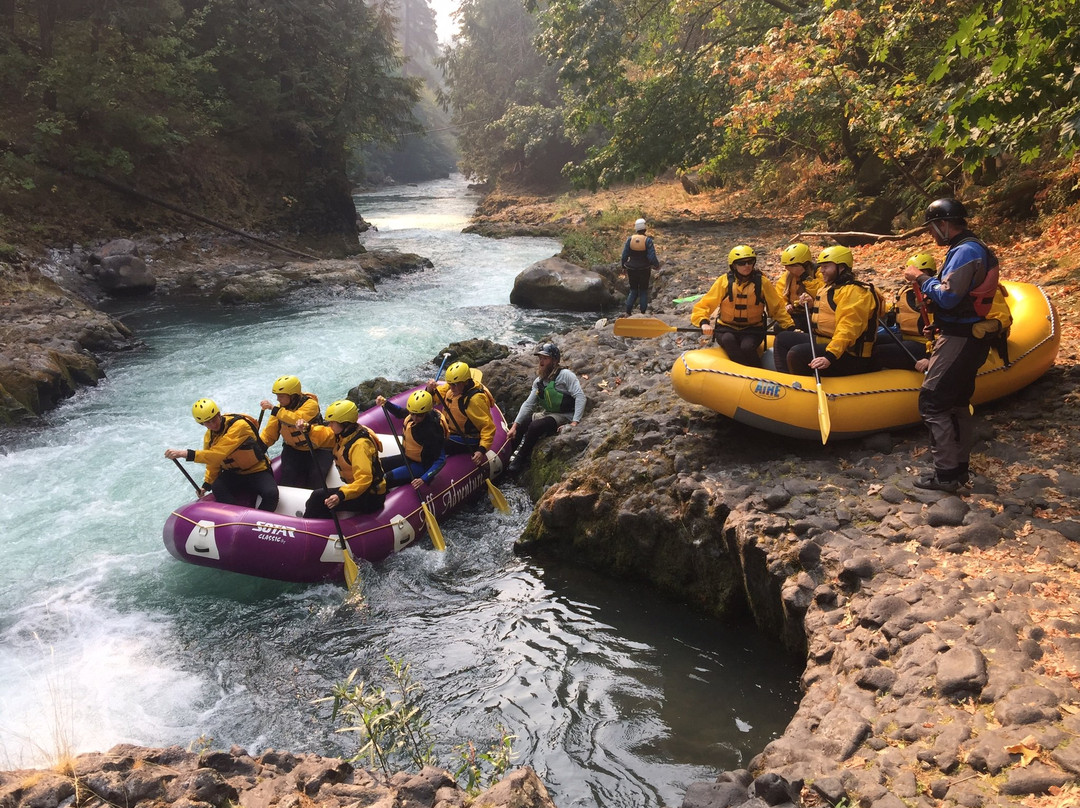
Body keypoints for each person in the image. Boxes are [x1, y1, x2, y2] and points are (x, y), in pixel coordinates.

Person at [903, 198, 1001, 492]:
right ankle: (957, 471)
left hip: (961, 339)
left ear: (944, 224)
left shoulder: (966, 251)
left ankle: (946, 474)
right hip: (965, 334)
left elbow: (948, 296)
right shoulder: (969, 248)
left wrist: (921, 278)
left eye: (933, 228)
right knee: (957, 402)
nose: (932, 234)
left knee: (933, 402)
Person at [773, 245, 883, 377]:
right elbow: (828, 313)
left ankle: (803, 389)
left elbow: (848, 328)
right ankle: (786, 382)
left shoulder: (855, 292)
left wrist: (829, 356)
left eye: (826, 267)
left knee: (797, 353)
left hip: (849, 354)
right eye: (821, 266)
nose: (821, 271)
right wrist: (812, 304)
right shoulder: (830, 287)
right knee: (782, 339)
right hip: (826, 341)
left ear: (841, 267)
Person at [165, 398, 278, 511]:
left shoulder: (239, 426)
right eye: (208, 422)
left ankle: (257, 523)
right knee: (217, 486)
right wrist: (206, 485)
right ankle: (235, 517)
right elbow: (212, 461)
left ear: (219, 414)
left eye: (214, 419)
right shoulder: (209, 437)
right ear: (202, 424)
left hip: (257, 470)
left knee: (271, 494)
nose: (213, 424)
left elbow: (218, 454)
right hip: (234, 474)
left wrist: (184, 453)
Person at [690, 245, 795, 366]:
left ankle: (757, 372)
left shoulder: (762, 282)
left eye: (750, 262)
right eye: (741, 263)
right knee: (728, 340)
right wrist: (703, 322)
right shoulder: (724, 281)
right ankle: (741, 373)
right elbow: (705, 304)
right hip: (726, 328)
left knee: (747, 347)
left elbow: (777, 308)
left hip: (753, 329)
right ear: (734, 265)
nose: (747, 266)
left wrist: (789, 326)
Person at [296, 399, 387, 517]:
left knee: (317, 498)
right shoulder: (346, 434)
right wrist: (308, 429)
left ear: (345, 423)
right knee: (320, 498)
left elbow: (364, 479)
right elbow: (325, 436)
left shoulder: (360, 445)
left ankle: (310, 532)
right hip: (359, 491)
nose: (330, 425)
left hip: (369, 496)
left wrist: (341, 495)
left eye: (333, 422)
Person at [507, 342, 586, 473]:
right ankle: (506, 456)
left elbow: (580, 397)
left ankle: (520, 459)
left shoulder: (566, 375)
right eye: (540, 358)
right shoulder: (539, 381)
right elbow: (528, 404)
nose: (541, 362)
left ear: (554, 360)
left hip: (565, 415)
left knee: (534, 426)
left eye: (545, 358)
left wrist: (574, 423)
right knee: (523, 424)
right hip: (548, 413)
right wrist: (514, 426)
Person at [258, 374, 332, 488]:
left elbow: (296, 419)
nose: (278, 399)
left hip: (318, 448)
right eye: (277, 396)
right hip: (294, 449)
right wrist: (258, 448)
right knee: (288, 473)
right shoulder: (279, 410)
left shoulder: (311, 404)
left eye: (281, 396)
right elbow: (269, 434)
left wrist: (273, 409)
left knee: (316, 475)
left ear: (293, 396)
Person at [872, 253, 938, 371]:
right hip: (905, 337)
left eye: (921, 273)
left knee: (879, 351)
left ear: (930, 274)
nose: (916, 277)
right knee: (870, 342)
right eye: (913, 274)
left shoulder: (934, 296)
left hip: (926, 344)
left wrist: (930, 357)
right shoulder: (905, 292)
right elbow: (892, 310)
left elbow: (942, 332)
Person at [427, 361, 496, 468]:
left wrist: (481, 450)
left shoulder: (474, 400)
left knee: (434, 443)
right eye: (449, 384)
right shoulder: (454, 387)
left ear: (465, 382)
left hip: (469, 439)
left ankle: (429, 468)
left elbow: (488, 427)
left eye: (454, 384)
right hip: (451, 432)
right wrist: (429, 390)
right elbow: (436, 396)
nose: (451, 387)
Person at [375, 390, 448, 489]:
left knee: (385, 479)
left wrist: (423, 479)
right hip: (408, 458)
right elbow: (400, 412)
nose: (414, 417)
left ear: (426, 412)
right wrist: (386, 403)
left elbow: (441, 460)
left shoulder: (431, 431)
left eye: (419, 415)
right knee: (376, 465)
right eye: (412, 413)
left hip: (421, 466)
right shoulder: (415, 412)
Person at [774, 243, 822, 332]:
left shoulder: (818, 272)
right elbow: (779, 296)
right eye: (787, 266)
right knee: (779, 326)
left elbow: (821, 292)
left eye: (792, 266)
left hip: (813, 315)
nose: (788, 269)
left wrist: (804, 276)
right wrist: (786, 306)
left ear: (804, 264)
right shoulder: (787, 276)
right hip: (795, 315)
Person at [621, 217, 660, 315]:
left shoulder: (630, 239)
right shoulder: (648, 241)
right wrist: (656, 265)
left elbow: (624, 255)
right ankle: (643, 312)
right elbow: (651, 257)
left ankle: (628, 311)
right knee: (643, 290)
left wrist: (623, 266)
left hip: (631, 268)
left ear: (636, 228)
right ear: (645, 229)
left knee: (633, 290)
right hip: (644, 269)